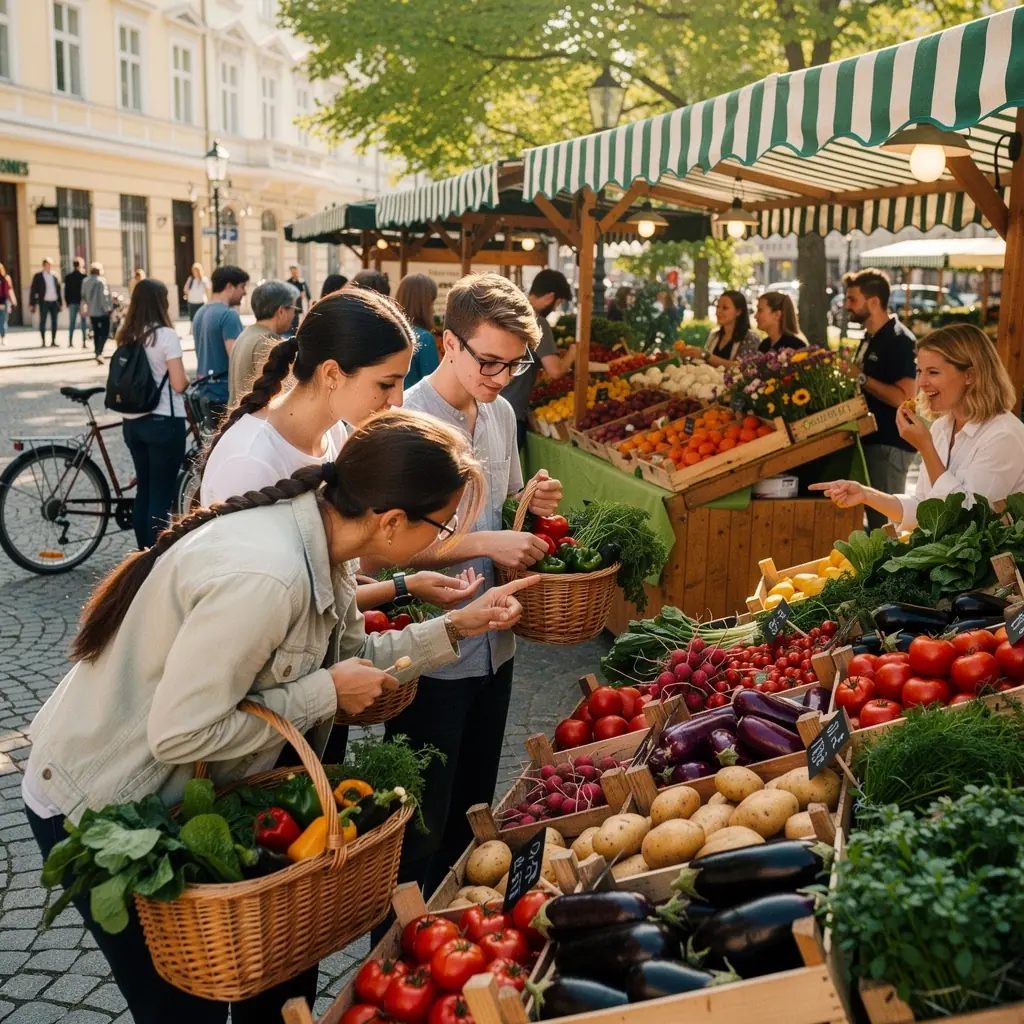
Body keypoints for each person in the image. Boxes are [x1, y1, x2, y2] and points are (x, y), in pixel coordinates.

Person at [22, 408, 535, 1024]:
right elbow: (181, 732)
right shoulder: (271, 576)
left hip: (170, 791)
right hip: (102, 799)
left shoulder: (324, 544)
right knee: (183, 1012)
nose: (449, 533)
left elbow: (352, 658)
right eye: (444, 520)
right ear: (392, 521)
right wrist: (323, 693)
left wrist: (454, 626)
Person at [395, 272, 563, 896]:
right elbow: (394, 546)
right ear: (448, 343)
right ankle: (405, 931)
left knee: (471, 809)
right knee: (421, 824)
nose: (498, 379)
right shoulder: (409, 420)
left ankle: (459, 917)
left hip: (497, 640)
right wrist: (489, 543)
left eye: (513, 366)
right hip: (433, 649)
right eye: (489, 362)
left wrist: (532, 500)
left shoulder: (498, 415)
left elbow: (508, 502)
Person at [811, 324, 1024, 531]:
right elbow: (924, 506)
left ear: (970, 375)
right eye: (919, 371)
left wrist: (925, 448)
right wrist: (866, 494)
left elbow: (968, 521)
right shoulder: (942, 426)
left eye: (932, 372)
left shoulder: (1003, 436)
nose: (921, 382)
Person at [114, 278, 189, 549]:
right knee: (161, 494)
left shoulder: (127, 335)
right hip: (163, 424)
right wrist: (188, 380)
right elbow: (179, 384)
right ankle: (154, 558)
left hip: (133, 424)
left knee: (144, 490)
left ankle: (140, 556)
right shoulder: (165, 336)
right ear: (160, 303)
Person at [842, 268, 919, 530]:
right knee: (876, 525)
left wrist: (861, 378)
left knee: (888, 526)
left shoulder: (899, 340)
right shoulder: (870, 337)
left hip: (889, 444)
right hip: (871, 442)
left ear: (873, 302)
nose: (846, 306)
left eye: (852, 299)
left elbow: (906, 398)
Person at [500, 268, 577, 451]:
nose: (556, 308)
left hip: (487, 406)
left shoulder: (508, 313)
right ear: (550, 297)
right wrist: (573, 353)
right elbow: (556, 370)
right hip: (510, 413)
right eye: (558, 302)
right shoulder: (537, 322)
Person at [228, 279, 298, 407]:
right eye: (294, 309)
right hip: (257, 422)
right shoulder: (269, 341)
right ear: (281, 311)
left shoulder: (245, 334)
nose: (294, 315)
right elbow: (279, 396)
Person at [192, 265, 249, 414]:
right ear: (229, 286)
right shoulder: (229, 315)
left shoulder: (200, 313)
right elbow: (236, 359)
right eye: (242, 286)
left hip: (205, 392)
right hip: (224, 395)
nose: (245, 292)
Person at [395, 272, 441, 389]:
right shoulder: (424, 338)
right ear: (425, 304)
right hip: (414, 406)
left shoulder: (388, 331)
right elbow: (434, 387)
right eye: (431, 303)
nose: (434, 310)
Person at [704, 290, 762, 364]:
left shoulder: (750, 338)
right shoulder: (714, 335)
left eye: (725, 308)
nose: (718, 311)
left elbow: (743, 368)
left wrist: (706, 356)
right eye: (718, 306)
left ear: (738, 312)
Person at [81, 262, 114, 363]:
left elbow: (83, 296)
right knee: (105, 332)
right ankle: (100, 351)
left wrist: (84, 308)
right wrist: (108, 309)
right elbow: (104, 297)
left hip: (92, 311)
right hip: (102, 311)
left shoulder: (85, 281)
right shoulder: (101, 281)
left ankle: (97, 351)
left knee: (96, 332)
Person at [29, 258, 62, 347]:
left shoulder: (55, 276)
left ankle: (53, 341)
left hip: (54, 301)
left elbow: (58, 291)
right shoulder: (38, 276)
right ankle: (43, 341)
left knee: (54, 322)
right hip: (44, 302)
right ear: (44, 265)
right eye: (48, 265)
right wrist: (32, 303)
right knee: (43, 321)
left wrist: (60, 303)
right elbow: (33, 290)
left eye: (50, 265)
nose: (49, 267)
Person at [63, 257, 87, 347]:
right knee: (83, 323)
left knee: (72, 322)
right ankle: (84, 342)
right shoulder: (84, 277)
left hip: (72, 302)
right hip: (81, 302)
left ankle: (70, 341)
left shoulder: (68, 277)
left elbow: (66, 291)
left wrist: (67, 302)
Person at [287, 264, 312, 334]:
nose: (294, 273)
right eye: (292, 272)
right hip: (292, 306)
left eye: (295, 272)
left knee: (300, 323)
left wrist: (309, 304)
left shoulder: (302, 282)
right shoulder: (288, 282)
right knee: (292, 323)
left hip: (301, 306)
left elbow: (308, 295)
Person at [0, 262, 17, 344]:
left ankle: (3, 337)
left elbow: (9, 290)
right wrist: (13, 301)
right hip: (4, 301)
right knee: (3, 320)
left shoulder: (6, 279)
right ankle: (3, 337)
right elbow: (10, 290)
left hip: (4, 301)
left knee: (3, 320)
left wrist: (13, 300)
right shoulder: (6, 278)